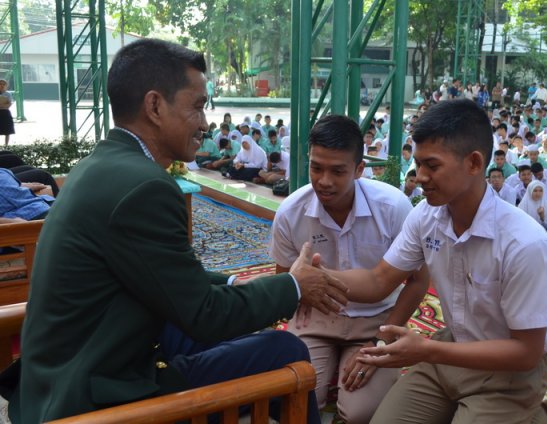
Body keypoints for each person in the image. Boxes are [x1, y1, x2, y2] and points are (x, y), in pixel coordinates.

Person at [7, 39, 349, 423]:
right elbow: (205, 315)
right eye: (198, 106)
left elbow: (160, 274)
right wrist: (296, 286)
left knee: (224, 332)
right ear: (155, 106)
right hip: (93, 396)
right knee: (282, 350)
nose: (205, 123)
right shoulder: (146, 187)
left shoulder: (98, 164)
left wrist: (235, 282)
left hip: (60, 377)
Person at [320, 99, 547, 423]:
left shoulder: (524, 244)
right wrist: (316, 277)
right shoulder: (427, 216)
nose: (420, 177)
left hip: (509, 373)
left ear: (474, 163)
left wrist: (426, 350)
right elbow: (380, 280)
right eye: (418, 164)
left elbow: (526, 352)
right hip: (453, 349)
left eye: (432, 166)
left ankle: (540, 416)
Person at [269, 115, 428, 424]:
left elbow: (419, 281)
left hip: (377, 321)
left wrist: (381, 342)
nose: (324, 181)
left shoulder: (393, 208)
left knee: (360, 413)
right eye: (316, 167)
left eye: (337, 171)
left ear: (359, 170)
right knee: (298, 400)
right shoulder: (290, 212)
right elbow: (283, 283)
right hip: (315, 321)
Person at [0, 80, 14, 147]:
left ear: (6, 86)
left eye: (4, 84)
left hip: (5, 113)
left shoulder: (8, 94)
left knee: (7, 131)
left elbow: (9, 104)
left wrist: (3, 106)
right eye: (0, 84)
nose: (2, 86)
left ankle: (6, 145)